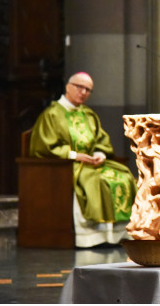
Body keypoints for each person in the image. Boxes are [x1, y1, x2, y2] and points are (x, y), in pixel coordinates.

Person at [30, 72, 137, 248]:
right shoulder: (52, 114)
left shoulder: (88, 114)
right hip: (65, 166)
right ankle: (93, 236)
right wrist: (74, 155)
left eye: (88, 90)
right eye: (80, 87)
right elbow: (44, 147)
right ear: (68, 87)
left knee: (124, 176)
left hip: (92, 163)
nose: (84, 92)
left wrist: (99, 154)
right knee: (100, 181)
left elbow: (101, 141)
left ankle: (118, 234)